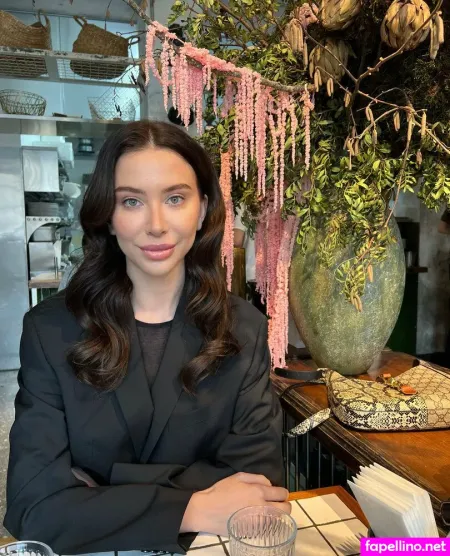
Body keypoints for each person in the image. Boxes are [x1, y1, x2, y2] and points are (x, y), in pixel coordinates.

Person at [5, 121, 288, 555]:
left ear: (202, 209)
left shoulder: (244, 329)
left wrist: (102, 491)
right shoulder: (50, 330)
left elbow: (259, 489)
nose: (156, 225)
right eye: (132, 201)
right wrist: (193, 507)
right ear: (108, 216)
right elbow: (35, 509)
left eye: (175, 198)